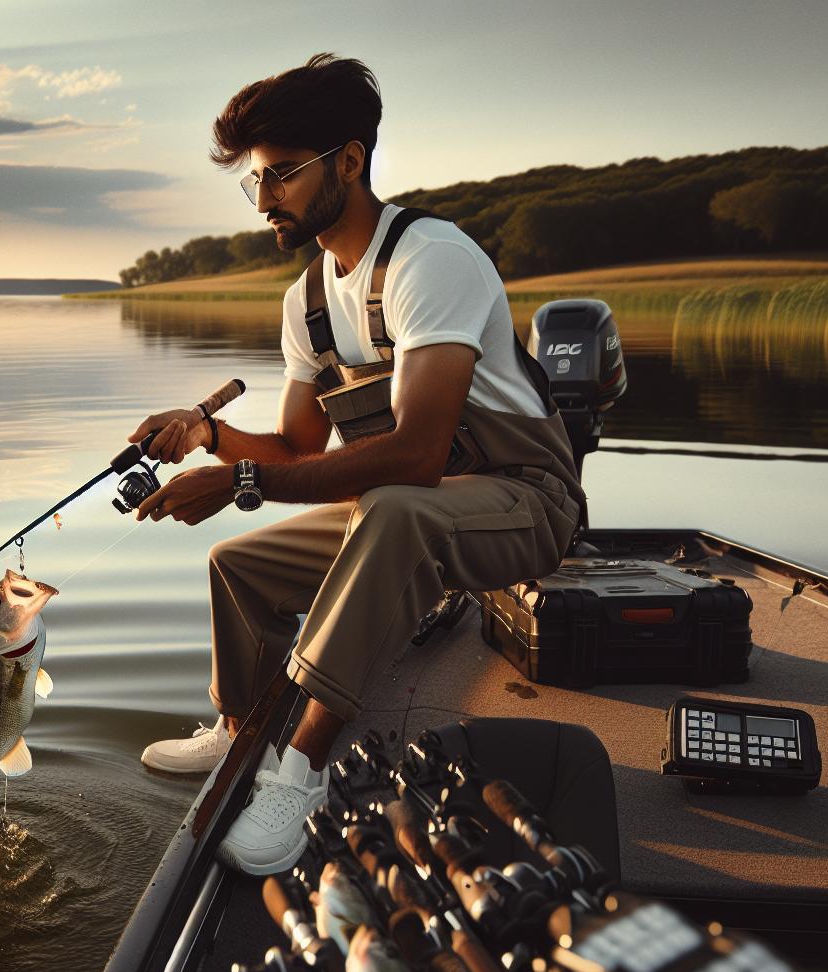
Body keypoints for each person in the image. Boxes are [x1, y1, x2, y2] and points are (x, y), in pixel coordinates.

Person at [126, 54, 585, 876]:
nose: (264, 199)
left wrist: (238, 484)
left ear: (349, 160)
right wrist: (207, 437)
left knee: (392, 509)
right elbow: (300, 449)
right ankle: (237, 735)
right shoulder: (307, 300)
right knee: (238, 564)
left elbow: (415, 453)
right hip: (407, 509)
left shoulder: (430, 260)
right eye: (255, 182)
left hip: (525, 501)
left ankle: (300, 774)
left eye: (281, 176)